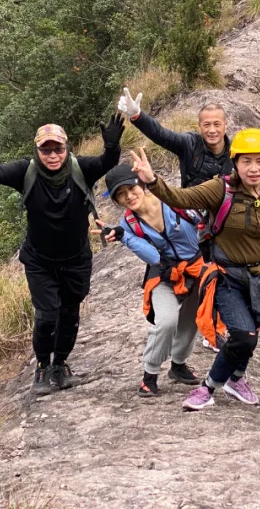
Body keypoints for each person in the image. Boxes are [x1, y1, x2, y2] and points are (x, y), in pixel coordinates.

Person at [127, 128, 260, 411]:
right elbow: (180, 198)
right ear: (235, 163)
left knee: (250, 337)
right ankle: (208, 388)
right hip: (227, 278)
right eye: (246, 161)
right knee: (243, 336)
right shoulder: (221, 189)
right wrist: (152, 181)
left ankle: (236, 379)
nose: (254, 168)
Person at [0, 116, 124, 395]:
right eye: (46, 150)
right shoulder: (25, 172)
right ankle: (42, 366)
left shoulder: (81, 169)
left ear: (67, 149)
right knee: (47, 316)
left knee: (70, 314)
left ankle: (60, 364)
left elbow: (107, 162)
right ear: (37, 151)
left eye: (58, 149)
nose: (53, 155)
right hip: (40, 261)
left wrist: (112, 145)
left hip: (76, 260)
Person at [95, 164, 204, 397]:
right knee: (166, 322)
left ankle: (178, 365)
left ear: (142, 184)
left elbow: (202, 227)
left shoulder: (172, 200)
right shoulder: (128, 224)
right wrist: (124, 238)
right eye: (120, 195)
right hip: (163, 274)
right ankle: (150, 374)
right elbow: (153, 256)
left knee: (191, 320)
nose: (128, 197)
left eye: (131, 188)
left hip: (196, 268)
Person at [117, 89, 233, 187]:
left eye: (217, 124)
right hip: (190, 208)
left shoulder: (236, 152)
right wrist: (137, 116)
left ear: (225, 125)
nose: (212, 130)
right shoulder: (189, 144)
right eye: (206, 125)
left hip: (225, 211)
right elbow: (161, 134)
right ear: (199, 126)